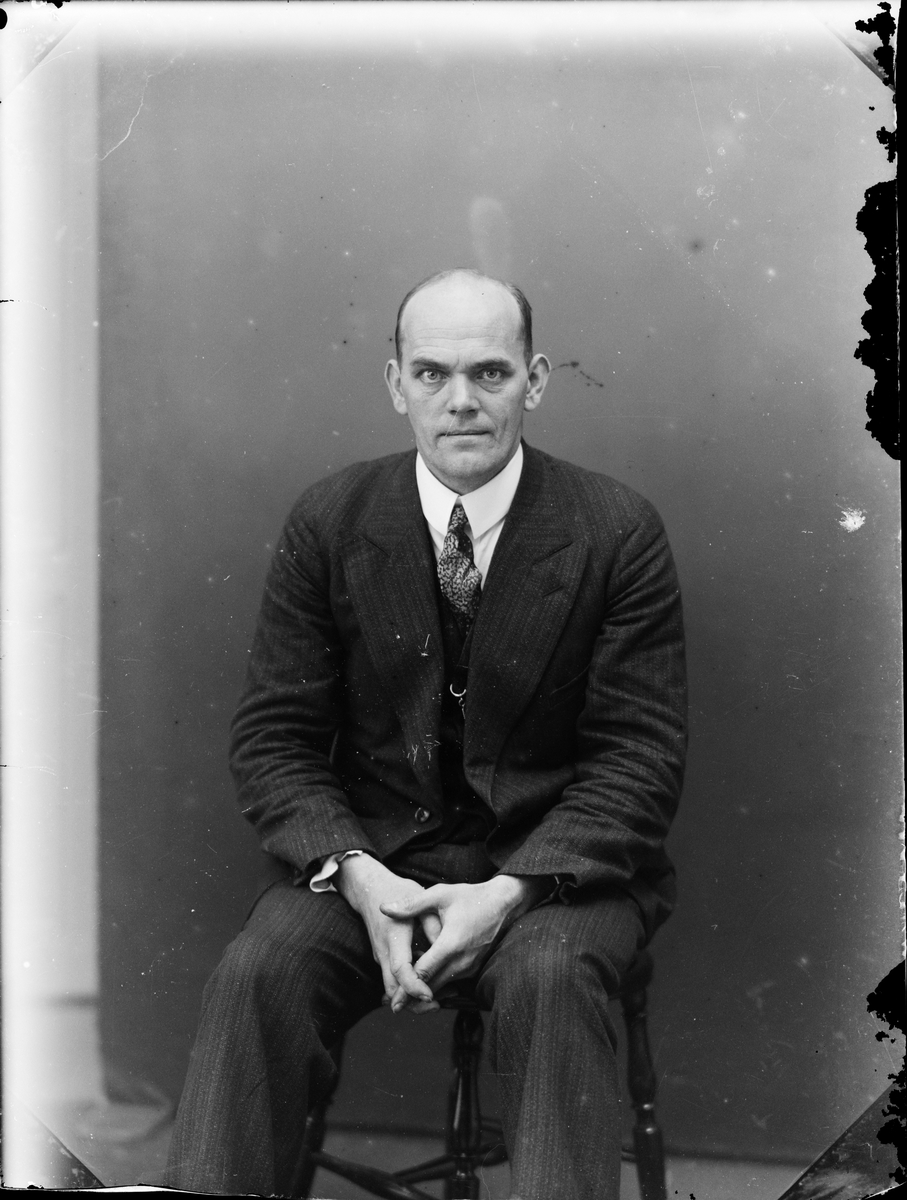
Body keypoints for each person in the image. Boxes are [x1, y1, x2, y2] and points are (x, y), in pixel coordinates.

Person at [165, 268, 687, 1199]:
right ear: (395, 383)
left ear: (534, 381)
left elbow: (637, 760)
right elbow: (275, 738)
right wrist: (358, 877)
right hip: (374, 863)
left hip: (556, 876)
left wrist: (512, 892)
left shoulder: (615, 531)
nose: (461, 402)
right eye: (432, 374)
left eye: (489, 373)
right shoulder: (330, 520)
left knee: (551, 980)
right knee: (260, 972)